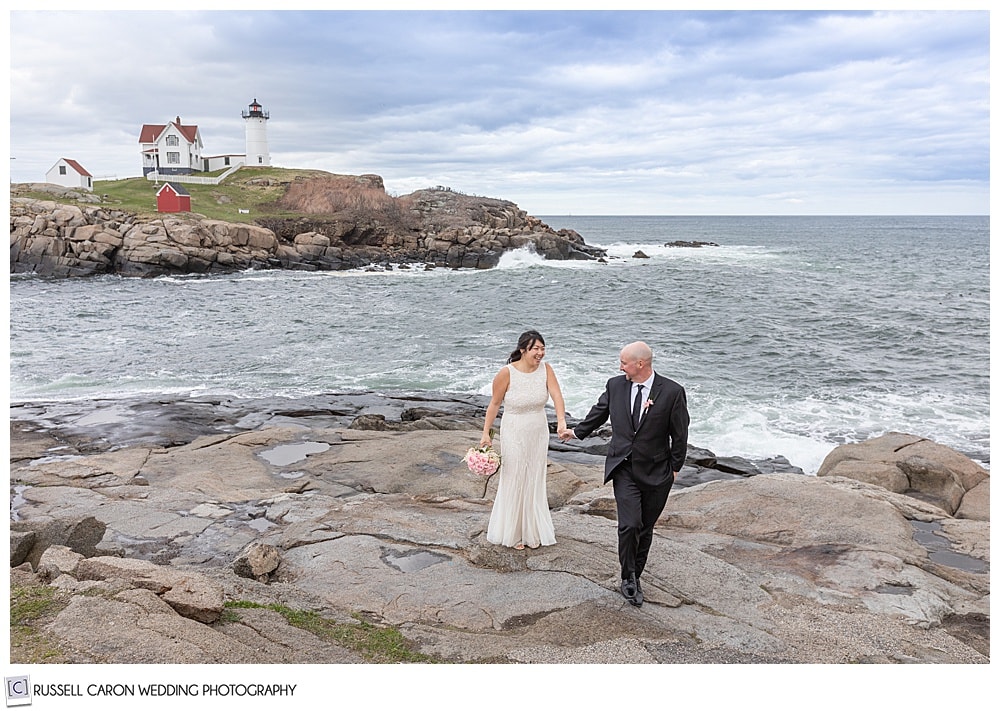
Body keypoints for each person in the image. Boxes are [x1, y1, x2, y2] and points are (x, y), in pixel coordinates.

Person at [561, 341, 689, 606]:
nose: (620, 367)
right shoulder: (615, 385)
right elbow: (599, 412)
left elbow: (680, 433)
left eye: (624, 363)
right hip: (624, 468)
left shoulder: (673, 392)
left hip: (657, 471)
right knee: (629, 524)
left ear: (640, 364)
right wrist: (576, 432)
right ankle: (628, 577)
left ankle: (636, 573)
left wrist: (675, 468)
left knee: (645, 528)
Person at [481, 330, 572, 550]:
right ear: (523, 349)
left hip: (538, 430)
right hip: (514, 429)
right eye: (535, 349)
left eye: (543, 348)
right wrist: (487, 434)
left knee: (534, 476)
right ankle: (513, 533)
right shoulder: (507, 373)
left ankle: (533, 530)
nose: (540, 353)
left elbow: (557, 396)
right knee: (515, 476)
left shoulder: (546, 369)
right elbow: (494, 404)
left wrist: (561, 422)